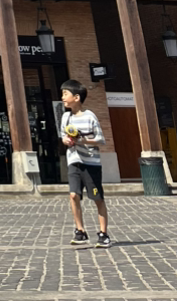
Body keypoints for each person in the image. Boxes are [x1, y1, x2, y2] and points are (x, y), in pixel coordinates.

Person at [60, 78, 111, 247]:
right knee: (73, 195)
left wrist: (82, 140)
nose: (62, 97)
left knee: (97, 198)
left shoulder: (90, 116)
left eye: (65, 94)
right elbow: (63, 137)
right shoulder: (66, 117)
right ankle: (80, 231)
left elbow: (101, 139)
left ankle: (103, 234)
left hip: (91, 164)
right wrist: (67, 141)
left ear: (76, 97)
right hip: (74, 161)